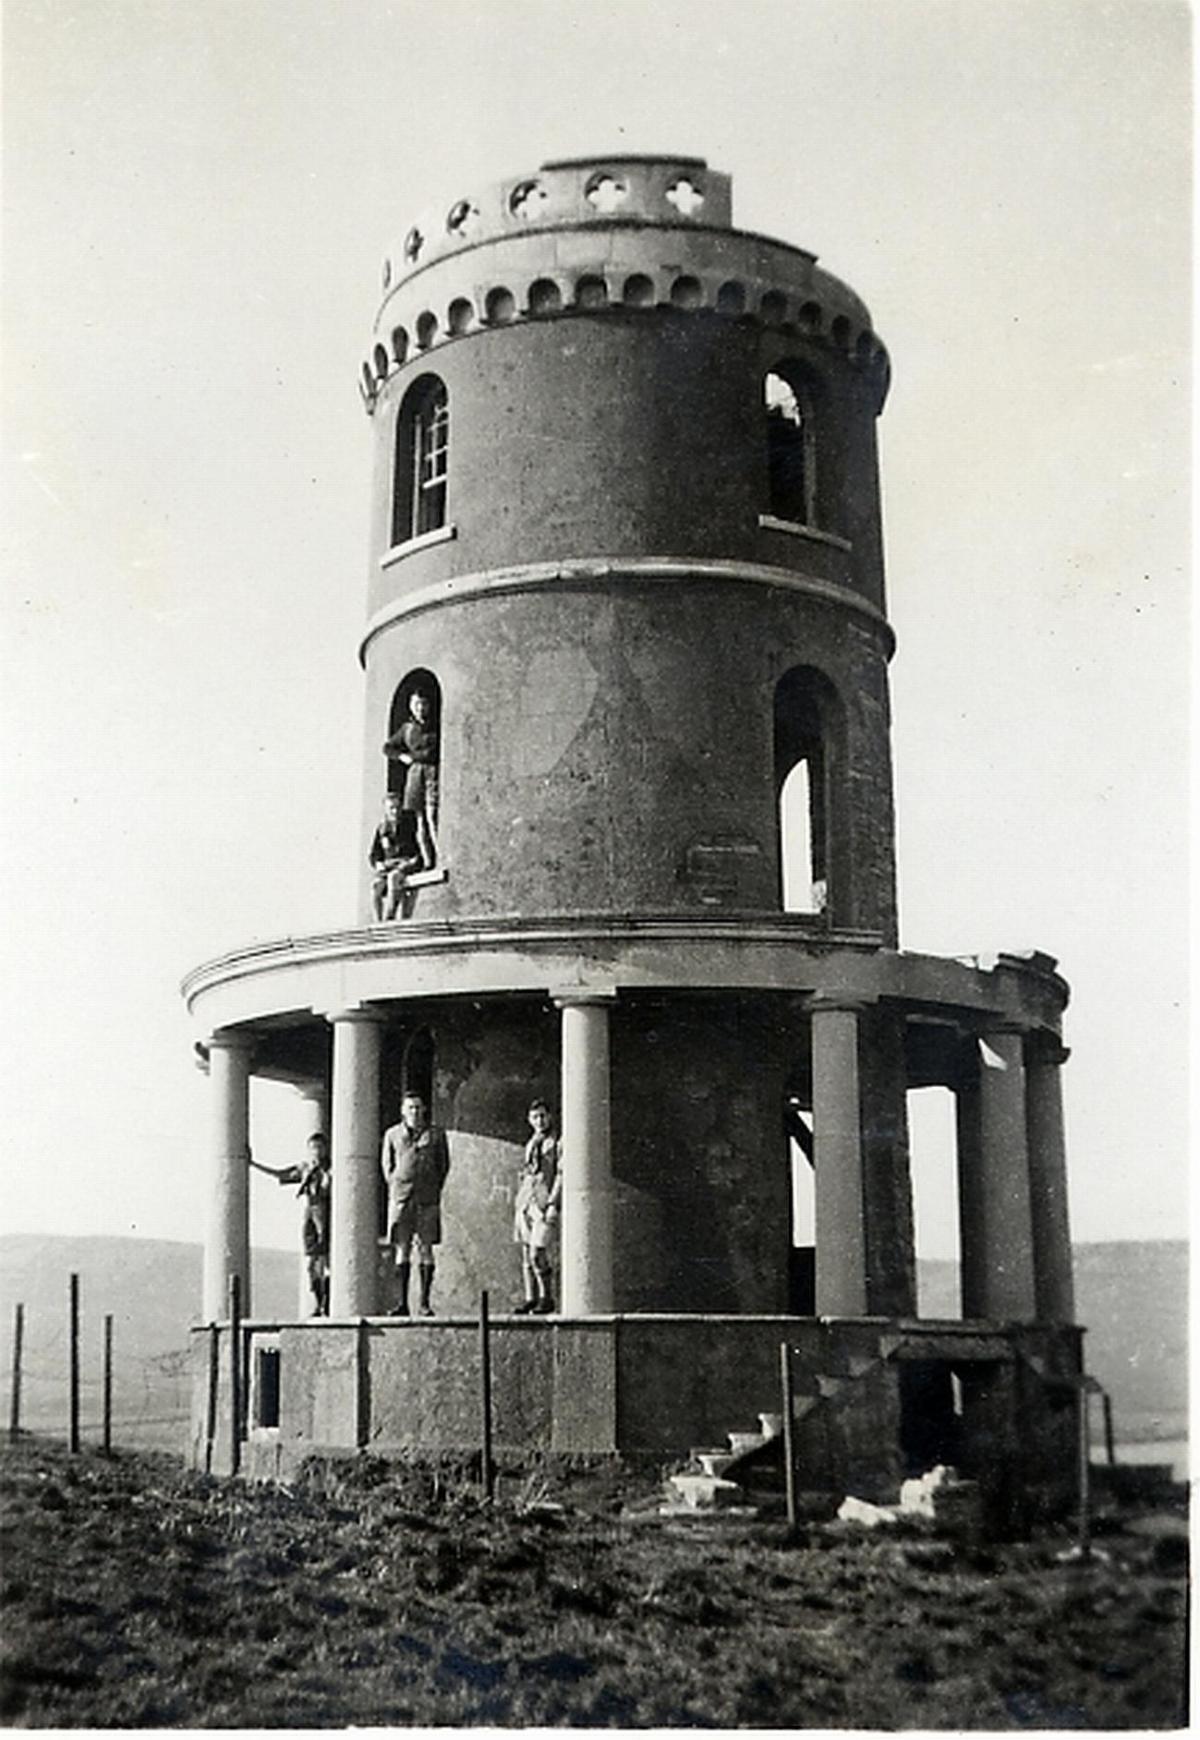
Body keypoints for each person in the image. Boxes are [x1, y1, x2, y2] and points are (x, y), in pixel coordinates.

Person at [380, 1091, 450, 1316]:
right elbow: (387, 1166)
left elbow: (443, 1165)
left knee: (426, 1248)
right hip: (401, 1198)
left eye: (418, 1107)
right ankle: (402, 1303)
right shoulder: (392, 1134)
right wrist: (398, 1185)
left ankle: (424, 1303)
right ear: (403, 1111)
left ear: (425, 1110)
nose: (415, 1112)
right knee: (402, 1248)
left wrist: (432, 1186)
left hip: (427, 1199)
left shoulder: (436, 1135)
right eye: (410, 1107)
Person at [250, 1132, 331, 1315]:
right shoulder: (304, 1169)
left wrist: (325, 1174)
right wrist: (254, 1164)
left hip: (325, 1213)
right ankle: (318, 1302)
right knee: (311, 1263)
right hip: (309, 1213)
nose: (316, 1152)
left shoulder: (331, 1169)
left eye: (320, 1148)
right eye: (313, 1148)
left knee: (326, 1262)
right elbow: (281, 1173)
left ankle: (327, 1303)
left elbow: (329, 1187)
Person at [512, 1100, 561, 1315]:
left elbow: (560, 1174)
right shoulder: (531, 1142)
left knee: (537, 1252)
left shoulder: (556, 1141)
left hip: (544, 1201)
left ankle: (546, 1297)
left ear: (549, 1117)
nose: (539, 1121)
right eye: (535, 1117)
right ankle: (530, 1298)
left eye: (543, 1116)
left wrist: (553, 1202)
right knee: (525, 1253)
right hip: (526, 1201)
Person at [382, 688, 439, 868]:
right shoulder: (407, 729)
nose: (420, 708)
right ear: (411, 706)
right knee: (420, 819)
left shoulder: (436, 725)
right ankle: (428, 860)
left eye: (423, 704)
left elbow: (434, 751)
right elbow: (387, 747)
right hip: (415, 774)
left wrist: (416, 756)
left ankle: (440, 855)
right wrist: (402, 756)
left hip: (432, 772)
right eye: (416, 704)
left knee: (432, 815)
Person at [368, 793, 424, 921]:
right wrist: (378, 864)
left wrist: (413, 861)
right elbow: (374, 853)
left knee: (394, 879)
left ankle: (389, 917)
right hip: (389, 866)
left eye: (397, 807)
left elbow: (419, 846)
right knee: (376, 886)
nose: (395, 811)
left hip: (406, 863)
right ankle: (378, 922)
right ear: (386, 810)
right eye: (391, 808)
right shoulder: (382, 828)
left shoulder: (409, 823)